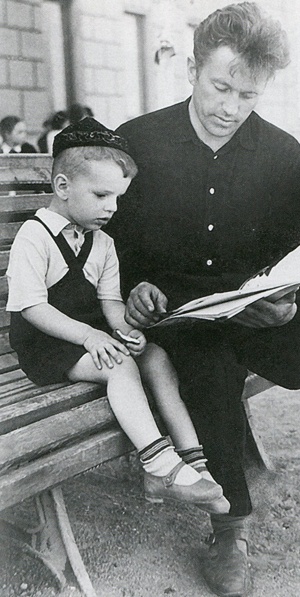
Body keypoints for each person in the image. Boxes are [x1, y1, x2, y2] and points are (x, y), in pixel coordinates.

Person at [108, 2, 300, 595]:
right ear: (193, 70)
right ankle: (229, 531)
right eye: (220, 87)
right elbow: (111, 243)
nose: (230, 108)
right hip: (180, 318)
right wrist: (133, 289)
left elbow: (295, 250)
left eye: (248, 95)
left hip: (256, 310)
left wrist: (289, 300)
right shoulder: (139, 142)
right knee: (206, 367)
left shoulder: (280, 152)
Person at [6, 116, 230, 516]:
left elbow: (110, 303)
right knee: (120, 365)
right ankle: (158, 467)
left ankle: (195, 463)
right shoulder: (34, 237)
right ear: (63, 187)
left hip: (89, 340)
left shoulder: (103, 243)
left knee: (155, 356)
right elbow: (31, 307)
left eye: (117, 198)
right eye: (101, 195)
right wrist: (90, 337)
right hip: (46, 346)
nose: (111, 208)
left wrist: (127, 331)